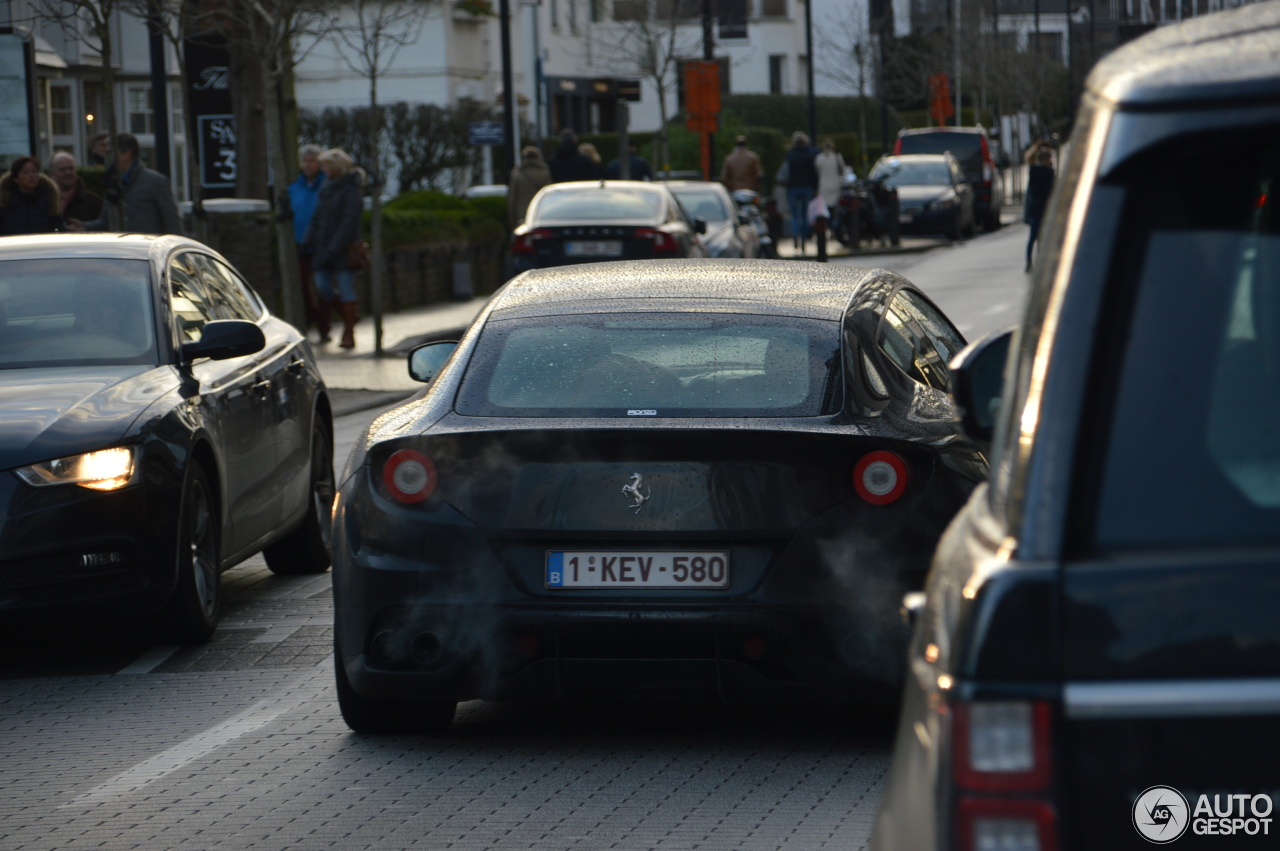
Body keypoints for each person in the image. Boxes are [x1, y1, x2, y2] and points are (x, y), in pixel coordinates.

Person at [304, 148, 365, 349]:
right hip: (323, 246)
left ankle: (349, 332)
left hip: (343, 249)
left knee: (346, 287)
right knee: (323, 287)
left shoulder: (351, 189)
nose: (324, 169)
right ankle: (350, 315)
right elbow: (317, 216)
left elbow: (349, 222)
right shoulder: (326, 186)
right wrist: (308, 240)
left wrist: (333, 249)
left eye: (327, 165)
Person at [72, 133, 184, 236]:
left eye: (110, 153)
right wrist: (85, 227)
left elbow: (172, 223)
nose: (106, 157)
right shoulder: (112, 183)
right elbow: (105, 221)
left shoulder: (155, 182)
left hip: (148, 251)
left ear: (126, 154)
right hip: (121, 251)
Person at [288, 144, 326, 339]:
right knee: (302, 284)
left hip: (322, 243)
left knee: (323, 285)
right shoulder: (294, 188)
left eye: (312, 161)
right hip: (300, 242)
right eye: (305, 161)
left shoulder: (326, 185)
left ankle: (324, 326)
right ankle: (310, 319)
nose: (308, 165)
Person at [0, 156, 63, 236]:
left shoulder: (49, 200)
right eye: (26, 173)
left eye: (34, 171)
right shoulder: (5, 203)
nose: (32, 176)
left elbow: (59, 229)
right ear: (16, 179)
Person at [784, 131, 819, 254]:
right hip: (806, 188)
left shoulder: (790, 155)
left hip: (793, 188)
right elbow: (813, 174)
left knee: (794, 215)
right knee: (804, 215)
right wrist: (815, 188)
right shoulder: (808, 155)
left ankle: (795, 236)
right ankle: (803, 240)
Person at [1024, 143, 1056, 272]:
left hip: (1036, 209)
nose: (1050, 161)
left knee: (1035, 237)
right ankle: (1035, 263)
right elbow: (1048, 190)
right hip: (1041, 209)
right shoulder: (1043, 172)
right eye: (1049, 159)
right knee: (1038, 237)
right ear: (1044, 159)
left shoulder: (1035, 170)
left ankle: (1031, 263)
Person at [49, 152, 103, 223]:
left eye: (71, 168)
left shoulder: (94, 203)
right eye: (62, 170)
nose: (68, 172)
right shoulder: (43, 201)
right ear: (52, 174)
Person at [508, 146, 552, 230]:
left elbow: (513, 199)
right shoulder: (545, 173)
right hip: (541, 213)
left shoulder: (517, 175)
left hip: (522, 213)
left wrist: (512, 221)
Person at [814, 138, 846, 214]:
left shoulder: (819, 158)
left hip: (823, 185)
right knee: (834, 207)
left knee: (824, 208)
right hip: (835, 184)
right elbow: (842, 171)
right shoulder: (837, 157)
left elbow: (817, 171)